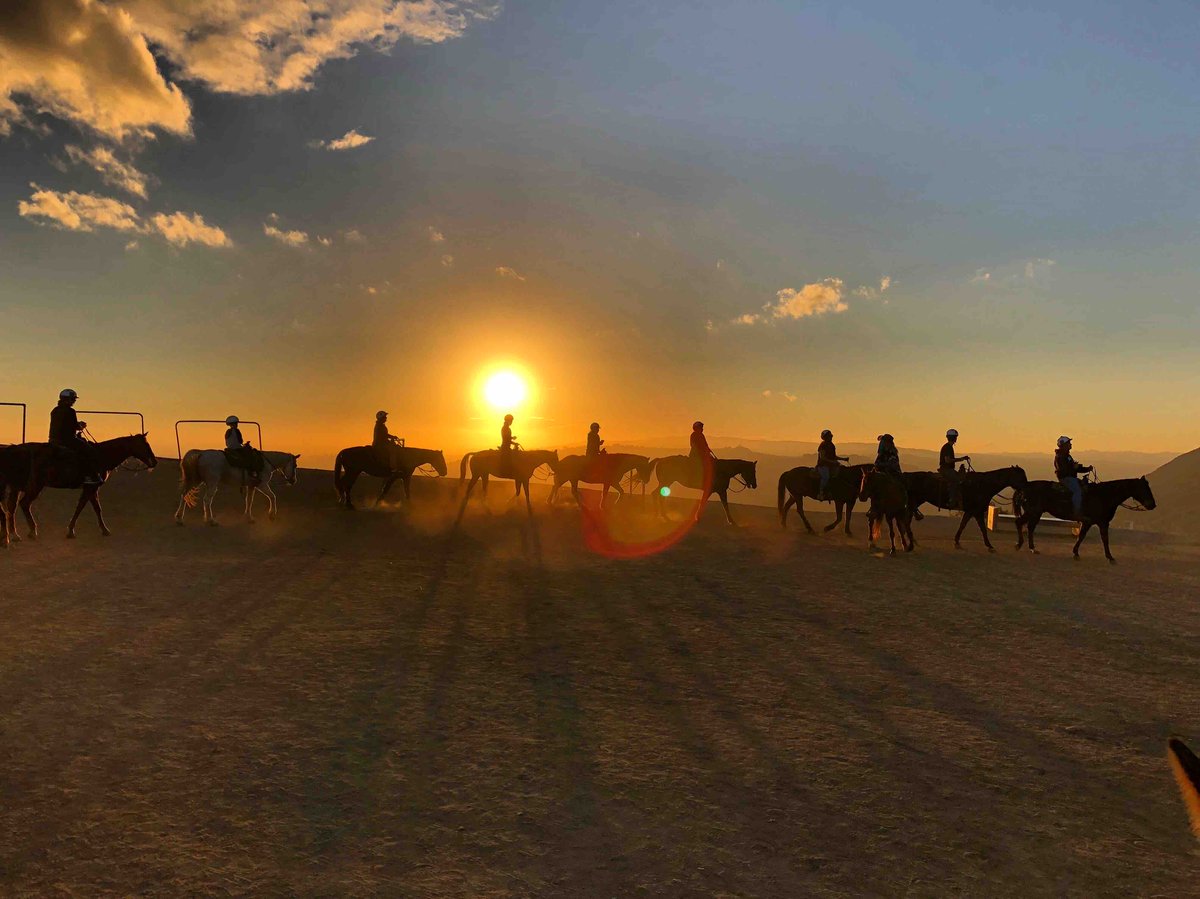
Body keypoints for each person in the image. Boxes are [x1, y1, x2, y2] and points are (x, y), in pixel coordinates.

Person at [48, 388, 102, 485]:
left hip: (53, 440)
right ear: (67, 399)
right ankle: (90, 476)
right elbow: (72, 426)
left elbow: (63, 424)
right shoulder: (70, 411)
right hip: (67, 440)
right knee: (90, 450)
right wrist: (80, 425)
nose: (74, 401)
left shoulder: (55, 410)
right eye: (72, 399)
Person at [1054, 435, 1092, 519]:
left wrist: (1087, 469)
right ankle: (1077, 512)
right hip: (1066, 478)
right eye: (1068, 443)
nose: (1070, 444)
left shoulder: (1066, 456)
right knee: (1077, 491)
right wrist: (1074, 468)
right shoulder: (1060, 456)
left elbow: (1074, 468)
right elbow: (1064, 469)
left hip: (1070, 478)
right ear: (1063, 445)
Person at [224, 415, 262, 485]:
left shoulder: (227, 432)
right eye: (236, 423)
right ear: (234, 424)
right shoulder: (237, 431)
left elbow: (229, 442)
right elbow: (240, 441)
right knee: (251, 456)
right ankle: (253, 474)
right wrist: (246, 444)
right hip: (236, 448)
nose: (236, 425)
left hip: (229, 448)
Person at [939, 428, 970, 509]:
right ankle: (951, 501)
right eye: (955, 437)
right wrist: (961, 459)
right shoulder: (947, 447)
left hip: (948, 469)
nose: (956, 439)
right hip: (946, 470)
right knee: (956, 480)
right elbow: (947, 460)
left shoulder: (948, 447)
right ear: (954, 438)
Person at [816, 429, 848, 501]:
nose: (831, 437)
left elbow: (834, 456)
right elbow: (822, 458)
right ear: (825, 437)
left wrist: (843, 459)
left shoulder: (831, 445)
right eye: (829, 436)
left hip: (831, 465)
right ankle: (820, 492)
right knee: (825, 477)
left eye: (830, 436)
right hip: (823, 465)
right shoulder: (822, 445)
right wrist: (833, 462)